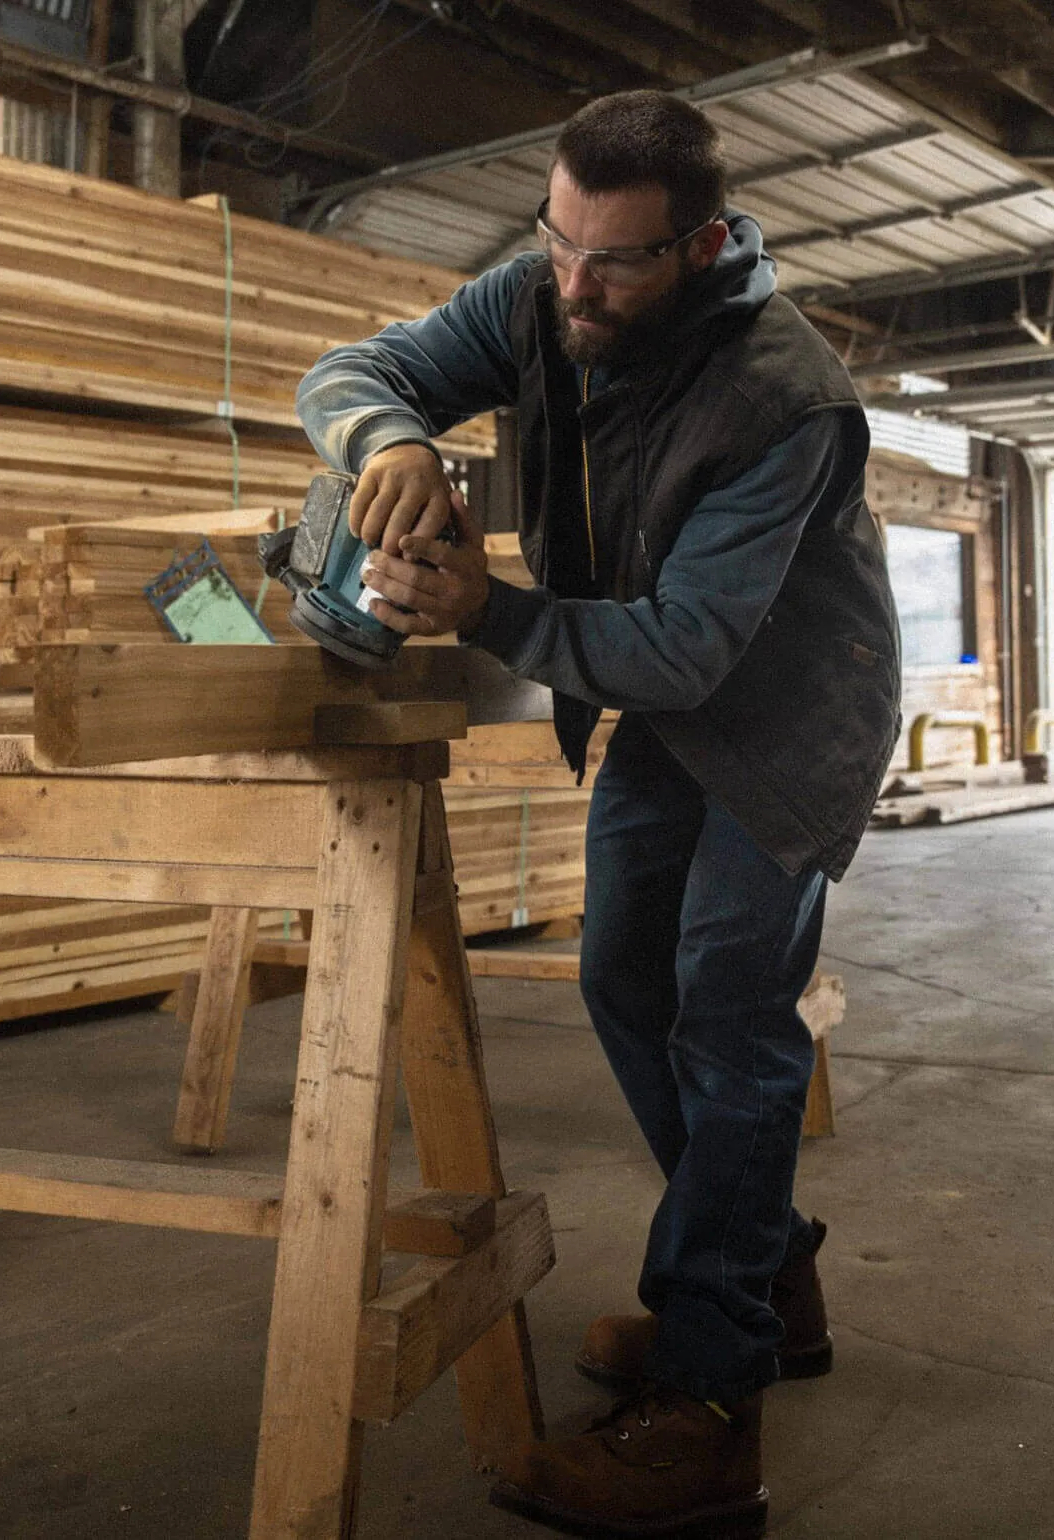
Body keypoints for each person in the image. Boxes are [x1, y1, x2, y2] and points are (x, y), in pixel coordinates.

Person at [297, 89, 901, 1540]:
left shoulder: (784, 395)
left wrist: (490, 609)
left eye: (616, 262)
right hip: (675, 692)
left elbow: (691, 645)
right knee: (620, 971)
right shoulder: (536, 297)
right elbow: (350, 364)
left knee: (725, 1007)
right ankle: (763, 1277)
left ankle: (709, 1412)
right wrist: (381, 437)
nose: (573, 286)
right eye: (558, 243)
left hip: (794, 710)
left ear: (698, 246)